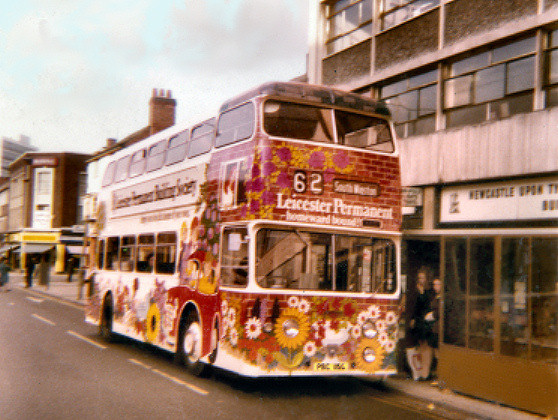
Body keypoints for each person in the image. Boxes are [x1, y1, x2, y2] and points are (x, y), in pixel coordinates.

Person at [406, 268, 434, 380]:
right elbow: (414, 307)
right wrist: (412, 318)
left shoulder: (427, 292)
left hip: (424, 322)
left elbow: (425, 305)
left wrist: (422, 293)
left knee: (425, 346)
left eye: (423, 278)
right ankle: (416, 371)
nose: (421, 280)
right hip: (417, 321)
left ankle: (424, 372)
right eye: (419, 278)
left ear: (426, 279)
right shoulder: (415, 291)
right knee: (418, 346)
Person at [425, 278, 442, 378]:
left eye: (438, 284)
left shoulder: (441, 298)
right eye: (434, 284)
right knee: (436, 352)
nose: (435, 287)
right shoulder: (435, 297)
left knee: (439, 353)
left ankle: (440, 376)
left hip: (439, 328)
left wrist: (432, 315)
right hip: (434, 327)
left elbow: (439, 312)